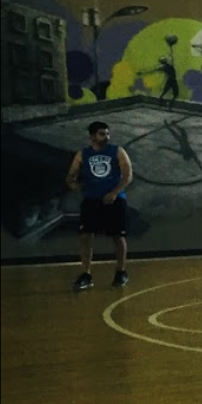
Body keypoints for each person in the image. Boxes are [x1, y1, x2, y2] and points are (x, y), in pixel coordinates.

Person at [66, 120, 133, 290]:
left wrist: (114, 192)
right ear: (92, 136)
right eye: (102, 134)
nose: (107, 137)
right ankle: (86, 274)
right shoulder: (83, 154)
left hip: (114, 200)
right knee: (85, 236)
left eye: (108, 133)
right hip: (91, 199)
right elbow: (71, 176)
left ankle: (121, 271)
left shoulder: (117, 151)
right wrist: (73, 184)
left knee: (118, 236)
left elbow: (127, 175)